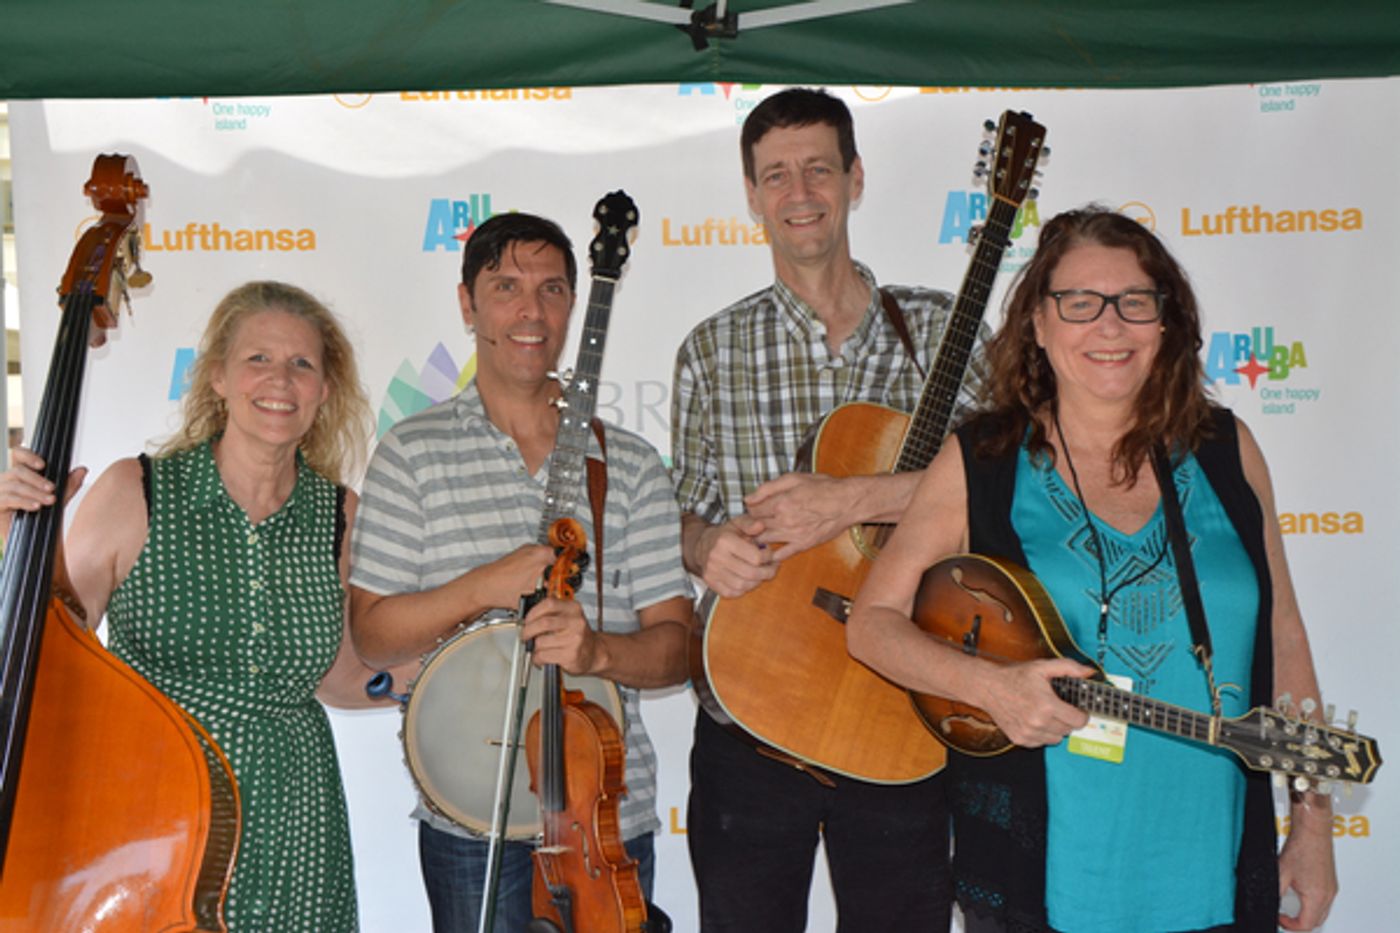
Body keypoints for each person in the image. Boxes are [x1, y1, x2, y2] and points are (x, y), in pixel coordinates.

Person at [847, 206, 1338, 933]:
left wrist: (1314, 824)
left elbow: (1285, 635)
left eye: (1134, 302)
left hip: (1215, 865)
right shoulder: (982, 459)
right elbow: (872, 625)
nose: (1109, 326)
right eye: (1078, 302)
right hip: (1042, 877)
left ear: (1166, 322)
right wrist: (992, 688)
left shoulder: (1227, 450)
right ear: (1038, 326)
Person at [671, 87, 986, 931]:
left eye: (817, 168)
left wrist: (852, 499)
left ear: (855, 177)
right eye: (775, 175)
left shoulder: (940, 325)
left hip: (900, 701)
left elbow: (1002, 484)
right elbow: (682, 512)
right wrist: (705, 547)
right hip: (752, 703)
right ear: (750, 195)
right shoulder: (710, 348)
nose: (799, 192)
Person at [0, 280, 392, 931]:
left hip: (297, 821)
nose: (280, 379)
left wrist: (448, 680)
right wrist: (13, 540)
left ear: (325, 390)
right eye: (257, 359)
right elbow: (52, 653)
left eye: (302, 363)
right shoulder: (138, 490)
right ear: (216, 376)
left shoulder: (339, 514)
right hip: (152, 815)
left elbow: (338, 674)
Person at [349, 211, 693, 933]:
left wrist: (600, 650)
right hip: (467, 824)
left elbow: (678, 647)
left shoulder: (627, 463)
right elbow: (375, 636)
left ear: (575, 304)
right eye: (505, 286)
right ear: (467, 303)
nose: (530, 311)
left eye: (552, 288)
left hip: (604, 821)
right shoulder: (410, 453)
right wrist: (485, 584)